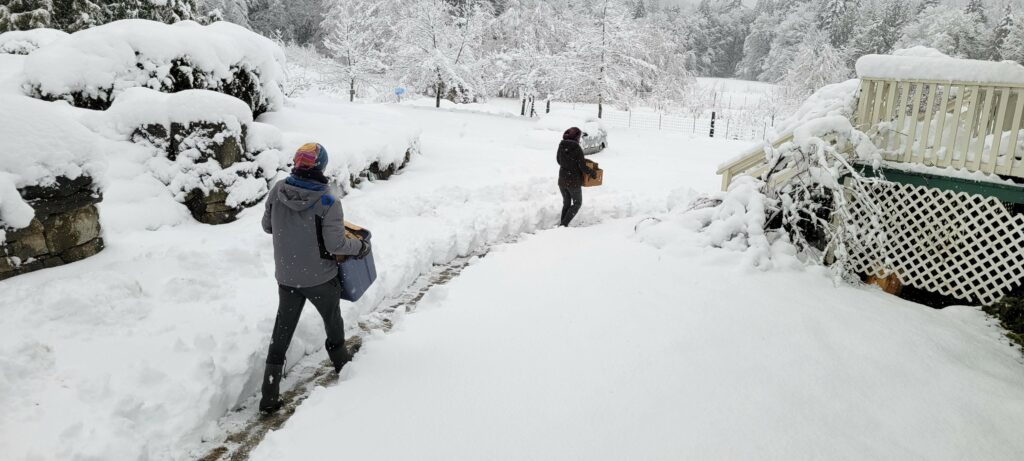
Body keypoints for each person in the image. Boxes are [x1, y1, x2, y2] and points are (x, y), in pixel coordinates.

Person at [259, 142, 371, 414]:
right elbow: (336, 246)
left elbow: (267, 226)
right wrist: (361, 247)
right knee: (332, 319)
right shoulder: (327, 200)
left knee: (281, 330)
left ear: (297, 163)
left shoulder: (277, 189)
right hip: (321, 278)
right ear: (321, 166)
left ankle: (269, 395)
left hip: (287, 276)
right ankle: (342, 363)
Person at [556, 127, 597, 227]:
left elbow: (558, 160)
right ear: (576, 137)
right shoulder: (577, 148)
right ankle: (563, 225)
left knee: (566, 203)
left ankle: (562, 225)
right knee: (577, 203)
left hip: (562, 181)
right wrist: (592, 173)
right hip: (573, 182)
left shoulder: (561, 145)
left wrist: (568, 163)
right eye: (579, 136)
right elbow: (582, 166)